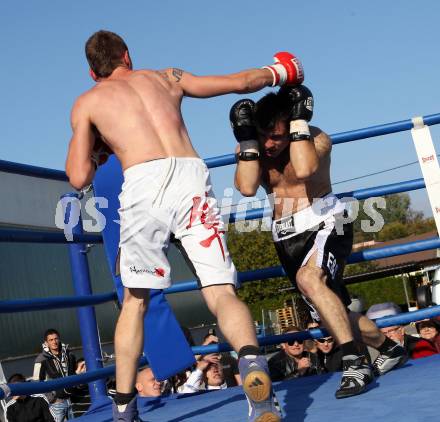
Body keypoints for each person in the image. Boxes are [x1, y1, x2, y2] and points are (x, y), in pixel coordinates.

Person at [66, 30, 304, 422]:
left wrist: (93, 145)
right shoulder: (166, 77)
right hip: (191, 177)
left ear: (93, 73)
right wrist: (281, 71)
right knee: (220, 290)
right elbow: (240, 83)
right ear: (128, 55)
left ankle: (124, 409)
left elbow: (78, 177)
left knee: (136, 301)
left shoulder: (88, 102)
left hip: (143, 185)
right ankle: (252, 367)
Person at [232, 85, 407, 399]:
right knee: (330, 312)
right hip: (284, 236)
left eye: (278, 136)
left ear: (293, 124)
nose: (270, 144)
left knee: (310, 280)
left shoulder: (316, 139)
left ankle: (355, 363)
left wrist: (298, 125)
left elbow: (304, 168)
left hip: (326, 220)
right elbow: (246, 188)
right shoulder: (255, 147)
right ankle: (389, 348)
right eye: (264, 135)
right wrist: (247, 139)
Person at [33, 328, 78, 421]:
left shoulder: (69, 354)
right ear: (46, 342)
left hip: (73, 399)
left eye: (56, 339)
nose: (54, 342)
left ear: (59, 339)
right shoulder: (41, 360)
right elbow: (36, 382)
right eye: (51, 340)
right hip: (56, 403)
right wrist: (52, 397)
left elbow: (74, 372)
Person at [366, 303, 437, 360]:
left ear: (402, 330)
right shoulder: (385, 352)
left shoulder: (420, 346)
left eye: (390, 331)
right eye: (383, 333)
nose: (388, 336)